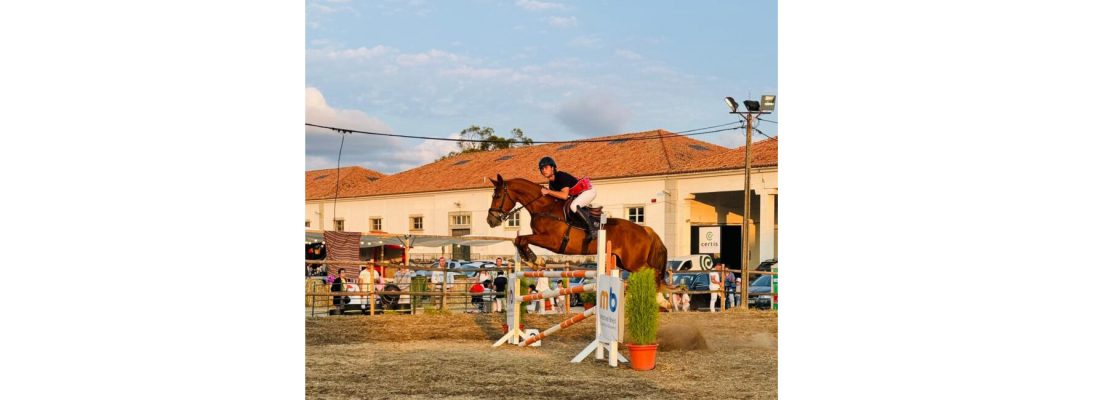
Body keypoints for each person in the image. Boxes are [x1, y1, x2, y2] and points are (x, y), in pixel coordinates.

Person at [537, 156, 598, 239]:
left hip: (588, 191)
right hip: (578, 195)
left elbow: (564, 196)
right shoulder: (551, 183)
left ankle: (592, 229)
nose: (544, 170)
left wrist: (548, 191)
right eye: (542, 169)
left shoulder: (561, 176)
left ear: (552, 167)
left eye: (546, 167)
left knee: (573, 206)